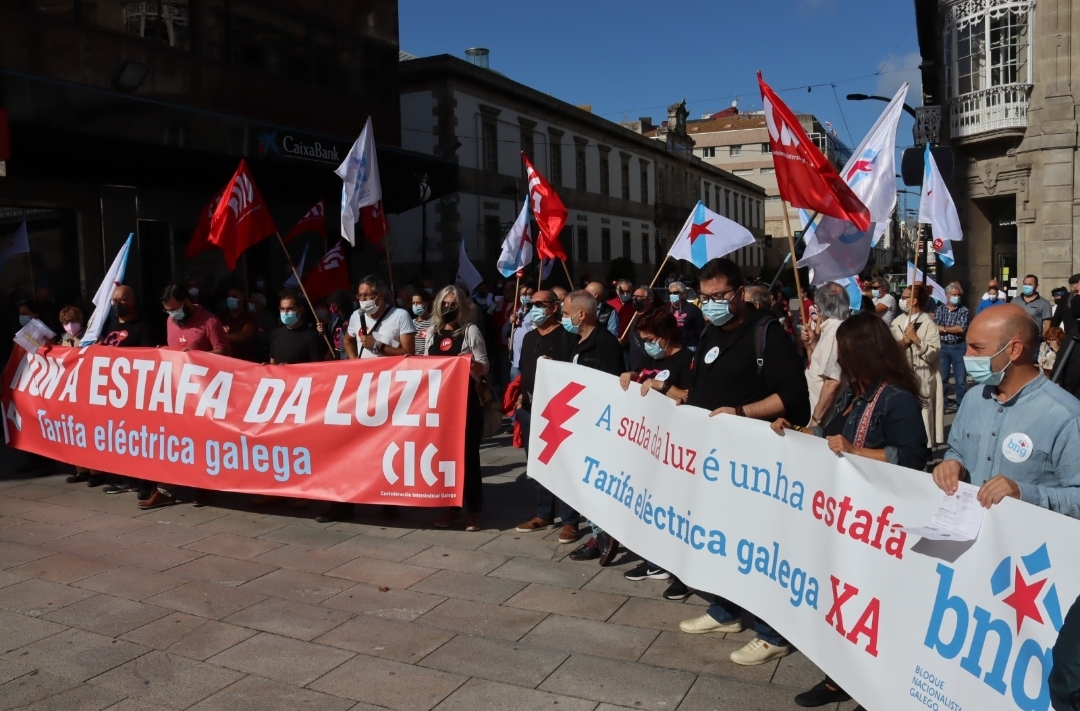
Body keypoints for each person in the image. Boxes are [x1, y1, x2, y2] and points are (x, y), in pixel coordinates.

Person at [777, 311, 929, 709]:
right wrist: (797, 432)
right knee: (841, 599)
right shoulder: (852, 393)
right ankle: (838, 677)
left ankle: (874, 683)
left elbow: (913, 460)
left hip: (879, 524)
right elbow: (828, 438)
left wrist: (859, 451)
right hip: (843, 518)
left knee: (872, 603)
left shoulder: (897, 399)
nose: (838, 359)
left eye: (843, 350)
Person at [665, 257, 809, 667]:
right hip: (714, 462)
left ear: (740, 293)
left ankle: (773, 632)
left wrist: (742, 413)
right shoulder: (710, 330)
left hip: (755, 462)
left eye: (720, 296)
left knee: (759, 546)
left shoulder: (768, 334)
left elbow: (795, 396)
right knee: (721, 540)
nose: (710, 303)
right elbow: (699, 388)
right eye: (704, 297)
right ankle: (726, 610)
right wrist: (664, 391)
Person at [932, 303, 1080, 516]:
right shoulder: (974, 398)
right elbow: (956, 450)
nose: (967, 356)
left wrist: (1024, 493)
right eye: (967, 346)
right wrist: (953, 464)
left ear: (1014, 349)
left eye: (977, 348)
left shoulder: (1066, 416)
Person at [319, 276, 416, 523]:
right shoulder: (356, 317)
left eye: (366, 295)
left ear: (380, 296)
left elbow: (409, 353)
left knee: (385, 445)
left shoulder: (400, 316)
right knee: (351, 444)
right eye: (359, 295)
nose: (362, 300)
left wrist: (378, 346)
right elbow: (348, 339)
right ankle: (345, 502)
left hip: (391, 390)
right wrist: (353, 363)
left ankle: (388, 499)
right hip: (362, 388)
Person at [618, 309, 696, 601]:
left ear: (665, 337)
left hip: (676, 449)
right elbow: (644, 378)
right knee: (651, 509)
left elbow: (690, 397)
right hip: (650, 446)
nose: (646, 345)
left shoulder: (688, 359)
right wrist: (632, 376)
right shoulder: (654, 358)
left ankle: (681, 574)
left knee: (676, 513)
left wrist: (662, 387)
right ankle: (655, 562)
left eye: (650, 339)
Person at [139, 284, 229, 510]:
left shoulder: (210, 321)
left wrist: (198, 357)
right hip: (176, 392)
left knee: (200, 443)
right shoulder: (171, 321)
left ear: (187, 302)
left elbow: (224, 352)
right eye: (167, 311)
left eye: (175, 309)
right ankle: (165, 490)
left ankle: (205, 488)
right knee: (169, 443)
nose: (172, 314)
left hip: (203, 394)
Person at [562, 289, 627, 565]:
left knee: (596, 481)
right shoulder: (576, 340)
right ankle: (598, 532)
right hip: (578, 421)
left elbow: (609, 387)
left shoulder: (605, 343)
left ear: (581, 314)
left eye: (566, 313)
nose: (564, 318)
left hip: (597, 424)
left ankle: (604, 533)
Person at [514, 290, 580, 541]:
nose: (534, 308)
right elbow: (524, 370)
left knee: (562, 464)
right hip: (531, 409)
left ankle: (570, 520)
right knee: (538, 464)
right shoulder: (530, 337)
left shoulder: (567, 336)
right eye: (532, 304)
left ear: (554, 307)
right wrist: (520, 395)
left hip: (557, 411)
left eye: (540, 304)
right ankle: (543, 513)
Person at [425, 285, 490, 532]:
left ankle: (474, 511)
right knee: (446, 459)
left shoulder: (470, 331)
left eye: (453, 304)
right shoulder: (432, 332)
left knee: (469, 458)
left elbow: (485, 365)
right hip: (441, 406)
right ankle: (452, 507)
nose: (448, 308)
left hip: (465, 403)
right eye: (444, 303)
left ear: (461, 306)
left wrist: (472, 365)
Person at [96, 285, 156, 497]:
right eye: (113, 301)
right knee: (121, 439)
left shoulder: (143, 327)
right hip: (113, 394)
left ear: (133, 300)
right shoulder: (110, 323)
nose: (117, 305)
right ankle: (127, 479)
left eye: (122, 300)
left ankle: (147, 484)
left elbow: (148, 358)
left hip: (135, 394)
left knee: (141, 440)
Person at [891, 284, 944, 448]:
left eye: (905, 297)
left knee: (923, 412)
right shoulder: (897, 322)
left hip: (922, 376)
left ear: (913, 301)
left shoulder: (928, 323)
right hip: (902, 375)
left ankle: (925, 448)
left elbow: (934, 353)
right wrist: (903, 342)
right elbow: (889, 349)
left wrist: (917, 340)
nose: (902, 300)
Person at [802, 282, 849, 428]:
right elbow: (825, 362)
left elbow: (833, 381)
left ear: (821, 307)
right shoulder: (836, 328)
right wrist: (813, 342)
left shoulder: (835, 332)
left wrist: (815, 420)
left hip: (825, 420)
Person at [935, 283, 970, 409]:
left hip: (958, 346)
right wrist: (949, 329)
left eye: (958, 295)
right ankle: (942, 406)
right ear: (947, 295)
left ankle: (962, 407)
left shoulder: (963, 310)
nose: (957, 297)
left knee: (960, 380)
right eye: (954, 295)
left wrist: (943, 328)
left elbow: (961, 328)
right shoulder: (940, 310)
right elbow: (935, 328)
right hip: (943, 347)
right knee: (943, 379)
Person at [219, 287, 257, 362]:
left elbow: (243, 337)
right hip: (226, 360)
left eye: (234, 297)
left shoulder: (249, 317)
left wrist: (220, 335)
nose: (231, 299)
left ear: (242, 299)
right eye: (229, 296)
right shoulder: (221, 317)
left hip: (244, 361)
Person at [667, 281, 705, 350]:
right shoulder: (667, 310)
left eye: (675, 293)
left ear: (683, 294)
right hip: (672, 346)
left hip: (690, 346)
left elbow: (701, 330)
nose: (672, 295)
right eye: (670, 293)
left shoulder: (693, 310)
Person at [411, 288, 434, 356]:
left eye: (418, 303)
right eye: (413, 303)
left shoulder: (434, 322)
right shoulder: (411, 323)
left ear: (426, 304)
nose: (415, 305)